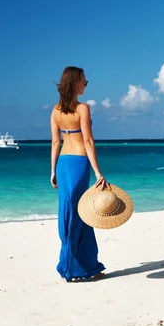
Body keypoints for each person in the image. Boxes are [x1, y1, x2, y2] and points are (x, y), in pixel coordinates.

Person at [50, 66, 110, 282]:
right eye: (84, 81)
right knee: (80, 215)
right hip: (79, 163)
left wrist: (52, 170)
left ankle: (79, 266)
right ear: (75, 83)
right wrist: (98, 172)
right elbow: (87, 141)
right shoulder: (83, 109)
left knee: (68, 213)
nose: (86, 84)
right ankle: (78, 266)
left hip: (63, 164)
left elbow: (56, 143)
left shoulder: (56, 111)